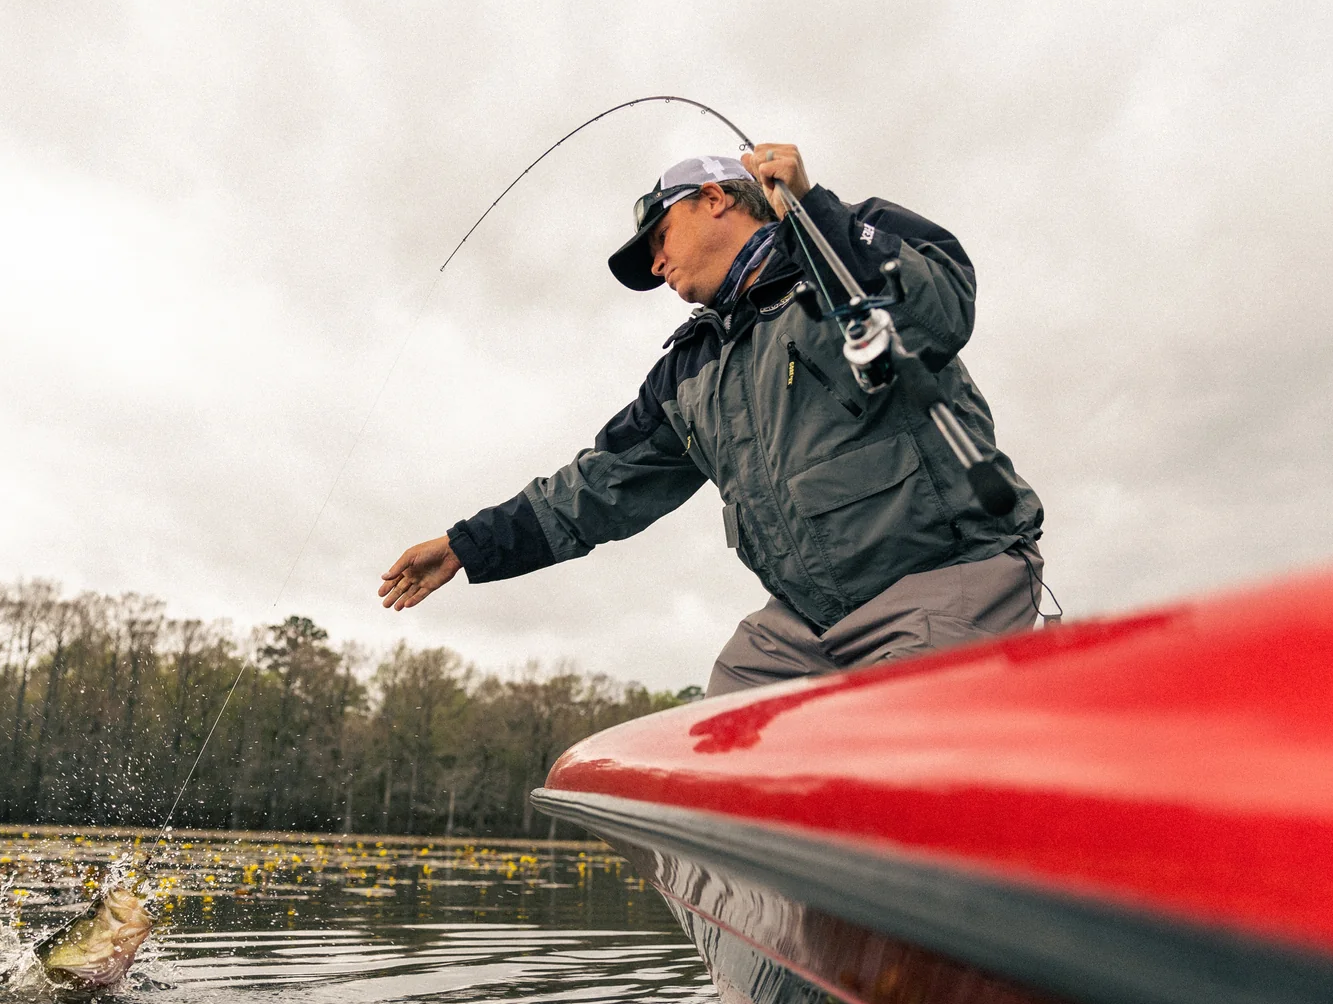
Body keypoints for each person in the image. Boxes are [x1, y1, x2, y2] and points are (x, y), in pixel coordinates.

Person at [379, 146, 1046, 697]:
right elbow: (594, 487)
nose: (656, 263)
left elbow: (941, 314)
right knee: (717, 739)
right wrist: (467, 546)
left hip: (944, 582)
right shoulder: (692, 368)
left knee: (889, 772)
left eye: (659, 239)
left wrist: (813, 213)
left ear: (716, 199)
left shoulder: (843, 240)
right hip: (808, 626)